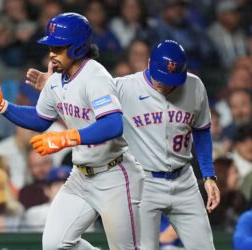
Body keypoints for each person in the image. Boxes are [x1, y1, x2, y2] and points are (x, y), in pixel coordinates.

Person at [27, 40, 220, 250]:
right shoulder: (124, 87)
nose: (164, 84)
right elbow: (86, 103)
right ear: (148, 64)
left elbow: (201, 131)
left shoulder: (195, 86)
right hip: (146, 183)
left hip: (184, 181)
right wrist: (54, 88)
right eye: (161, 77)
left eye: (172, 79)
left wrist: (209, 175)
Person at [0, 12, 144, 250]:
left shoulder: (95, 77)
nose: (52, 52)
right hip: (82, 176)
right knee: (54, 245)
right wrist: (3, 107)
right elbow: (40, 119)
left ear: (76, 48)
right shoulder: (56, 80)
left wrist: (67, 137)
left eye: (58, 46)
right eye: (51, 46)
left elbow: (113, 125)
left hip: (114, 174)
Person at [21, 165, 71, 231]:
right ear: (47, 190)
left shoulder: (83, 212)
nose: (62, 189)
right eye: (57, 185)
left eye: (66, 185)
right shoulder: (35, 213)